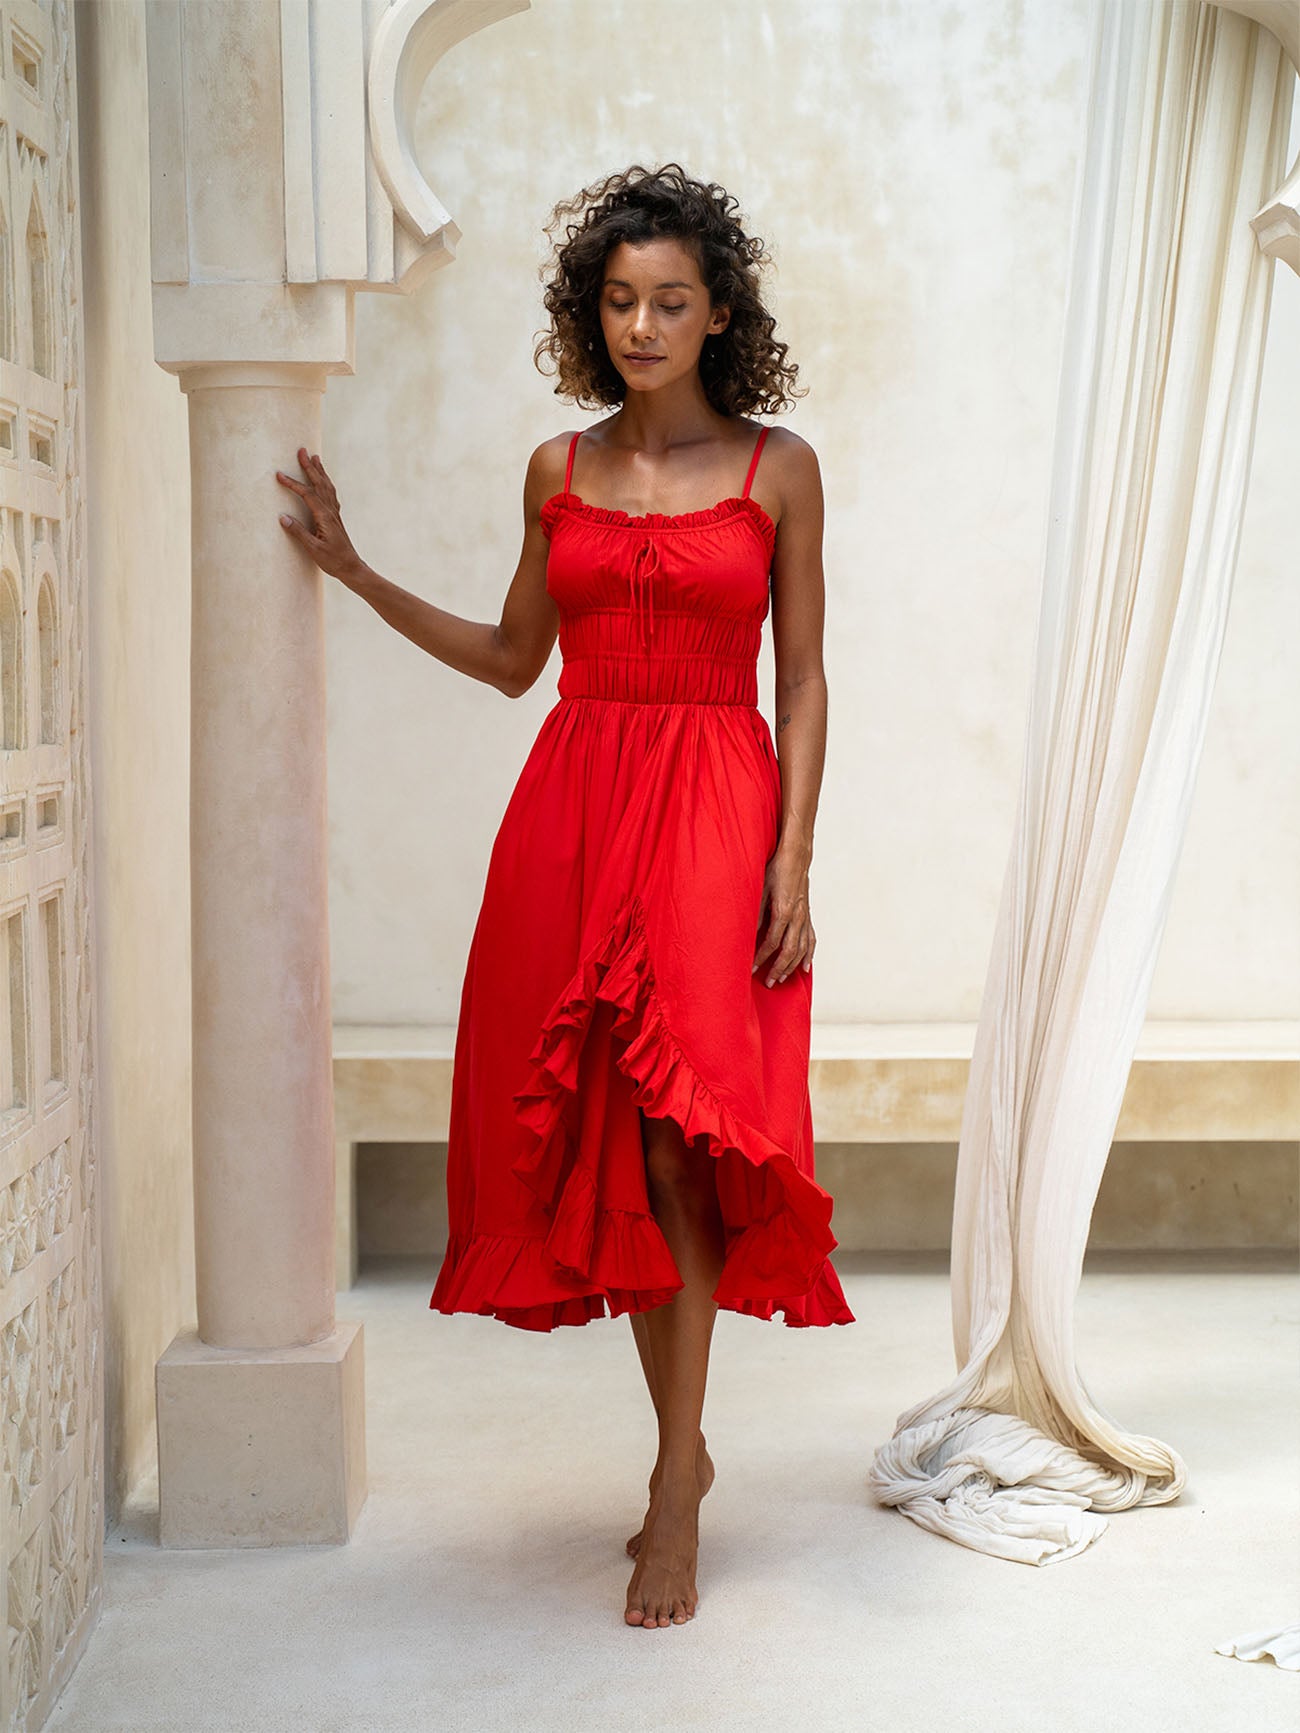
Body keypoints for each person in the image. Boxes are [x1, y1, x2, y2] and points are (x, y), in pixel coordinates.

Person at [276, 162, 853, 1631]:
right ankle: (683, 1454)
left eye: (670, 300)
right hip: (576, 808)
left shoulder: (777, 464)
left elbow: (802, 674)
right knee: (614, 1126)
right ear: (589, 313)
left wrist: (792, 855)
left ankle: (674, 1489)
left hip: (717, 807)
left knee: (679, 1137)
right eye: (619, 301)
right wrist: (353, 572)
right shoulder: (555, 468)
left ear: (720, 311)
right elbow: (513, 655)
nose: (643, 324)